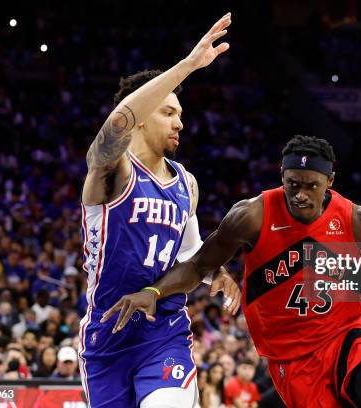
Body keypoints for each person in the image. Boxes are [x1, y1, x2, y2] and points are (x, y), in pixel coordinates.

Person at [105, 135, 361, 407]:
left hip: (346, 336)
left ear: (330, 180)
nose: (299, 193)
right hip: (288, 358)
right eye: (292, 183)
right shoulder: (251, 216)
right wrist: (155, 292)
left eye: (311, 185)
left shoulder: (359, 222)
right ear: (281, 177)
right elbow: (199, 266)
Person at [82, 13, 240, 408]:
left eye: (181, 115)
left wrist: (215, 273)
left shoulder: (186, 183)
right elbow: (116, 124)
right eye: (168, 112)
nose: (179, 123)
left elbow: (188, 251)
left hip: (163, 330)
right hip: (107, 336)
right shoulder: (111, 172)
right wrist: (188, 65)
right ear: (141, 119)